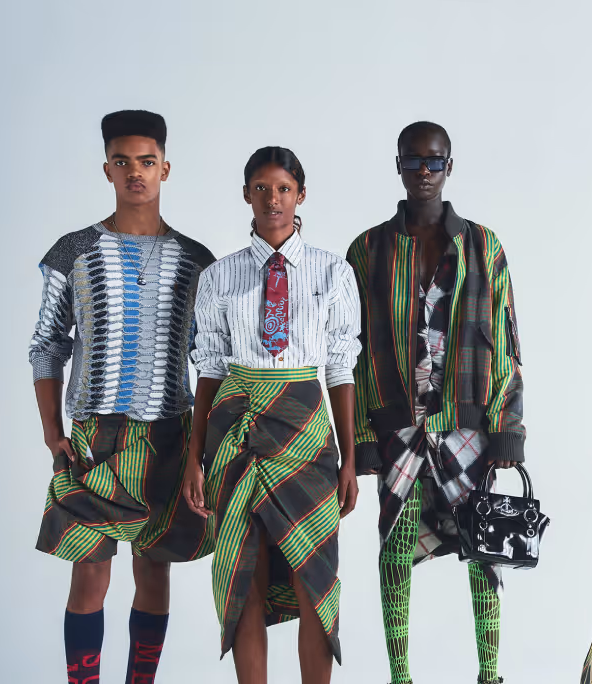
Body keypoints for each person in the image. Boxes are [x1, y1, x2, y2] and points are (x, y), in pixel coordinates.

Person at [29, 109, 217, 684]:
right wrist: (52, 432)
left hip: (168, 435)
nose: (135, 172)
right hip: (94, 436)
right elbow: (46, 346)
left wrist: (203, 450)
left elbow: (208, 360)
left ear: (165, 167)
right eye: (122, 162)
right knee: (89, 574)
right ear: (107, 169)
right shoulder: (74, 252)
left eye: (146, 161)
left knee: (154, 572)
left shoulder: (197, 261)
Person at [347, 121, 525, 684]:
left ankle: (489, 674)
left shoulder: (482, 244)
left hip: (467, 425)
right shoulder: (368, 249)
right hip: (397, 427)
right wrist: (359, 436)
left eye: (434, 162)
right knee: (394, 550)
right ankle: (400, 675)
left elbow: (507, 339)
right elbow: (351, 350)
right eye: (413, 161)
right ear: (397, 165)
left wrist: (507, 427)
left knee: (483, 552)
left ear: (450, 167)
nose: (423, 172)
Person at [180, 146, 361, 684]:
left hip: (307, 435)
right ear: (246, 195)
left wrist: (349, 460)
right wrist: (195, 458)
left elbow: (341, 369)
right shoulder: (219, 276)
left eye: (283, 189)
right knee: (243, 576)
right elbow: (208, 370)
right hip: (234, 432)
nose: (272, 199)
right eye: (261, 188)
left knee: (315, 581)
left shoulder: (334, 272)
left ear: (300, 195)